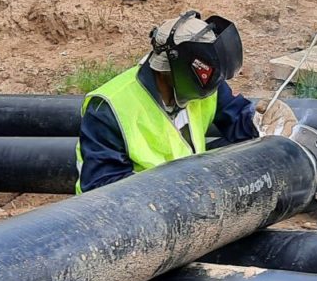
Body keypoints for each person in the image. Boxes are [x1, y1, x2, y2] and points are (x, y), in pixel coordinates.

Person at [75, 10, 257, 193]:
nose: (215, 82)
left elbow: (239, 120)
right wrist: (183, 190)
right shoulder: (108, 108)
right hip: (131, 208)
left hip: (184, 193)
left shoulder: (205, 84)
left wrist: (260, 124)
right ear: (170, 69)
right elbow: (103, 188)